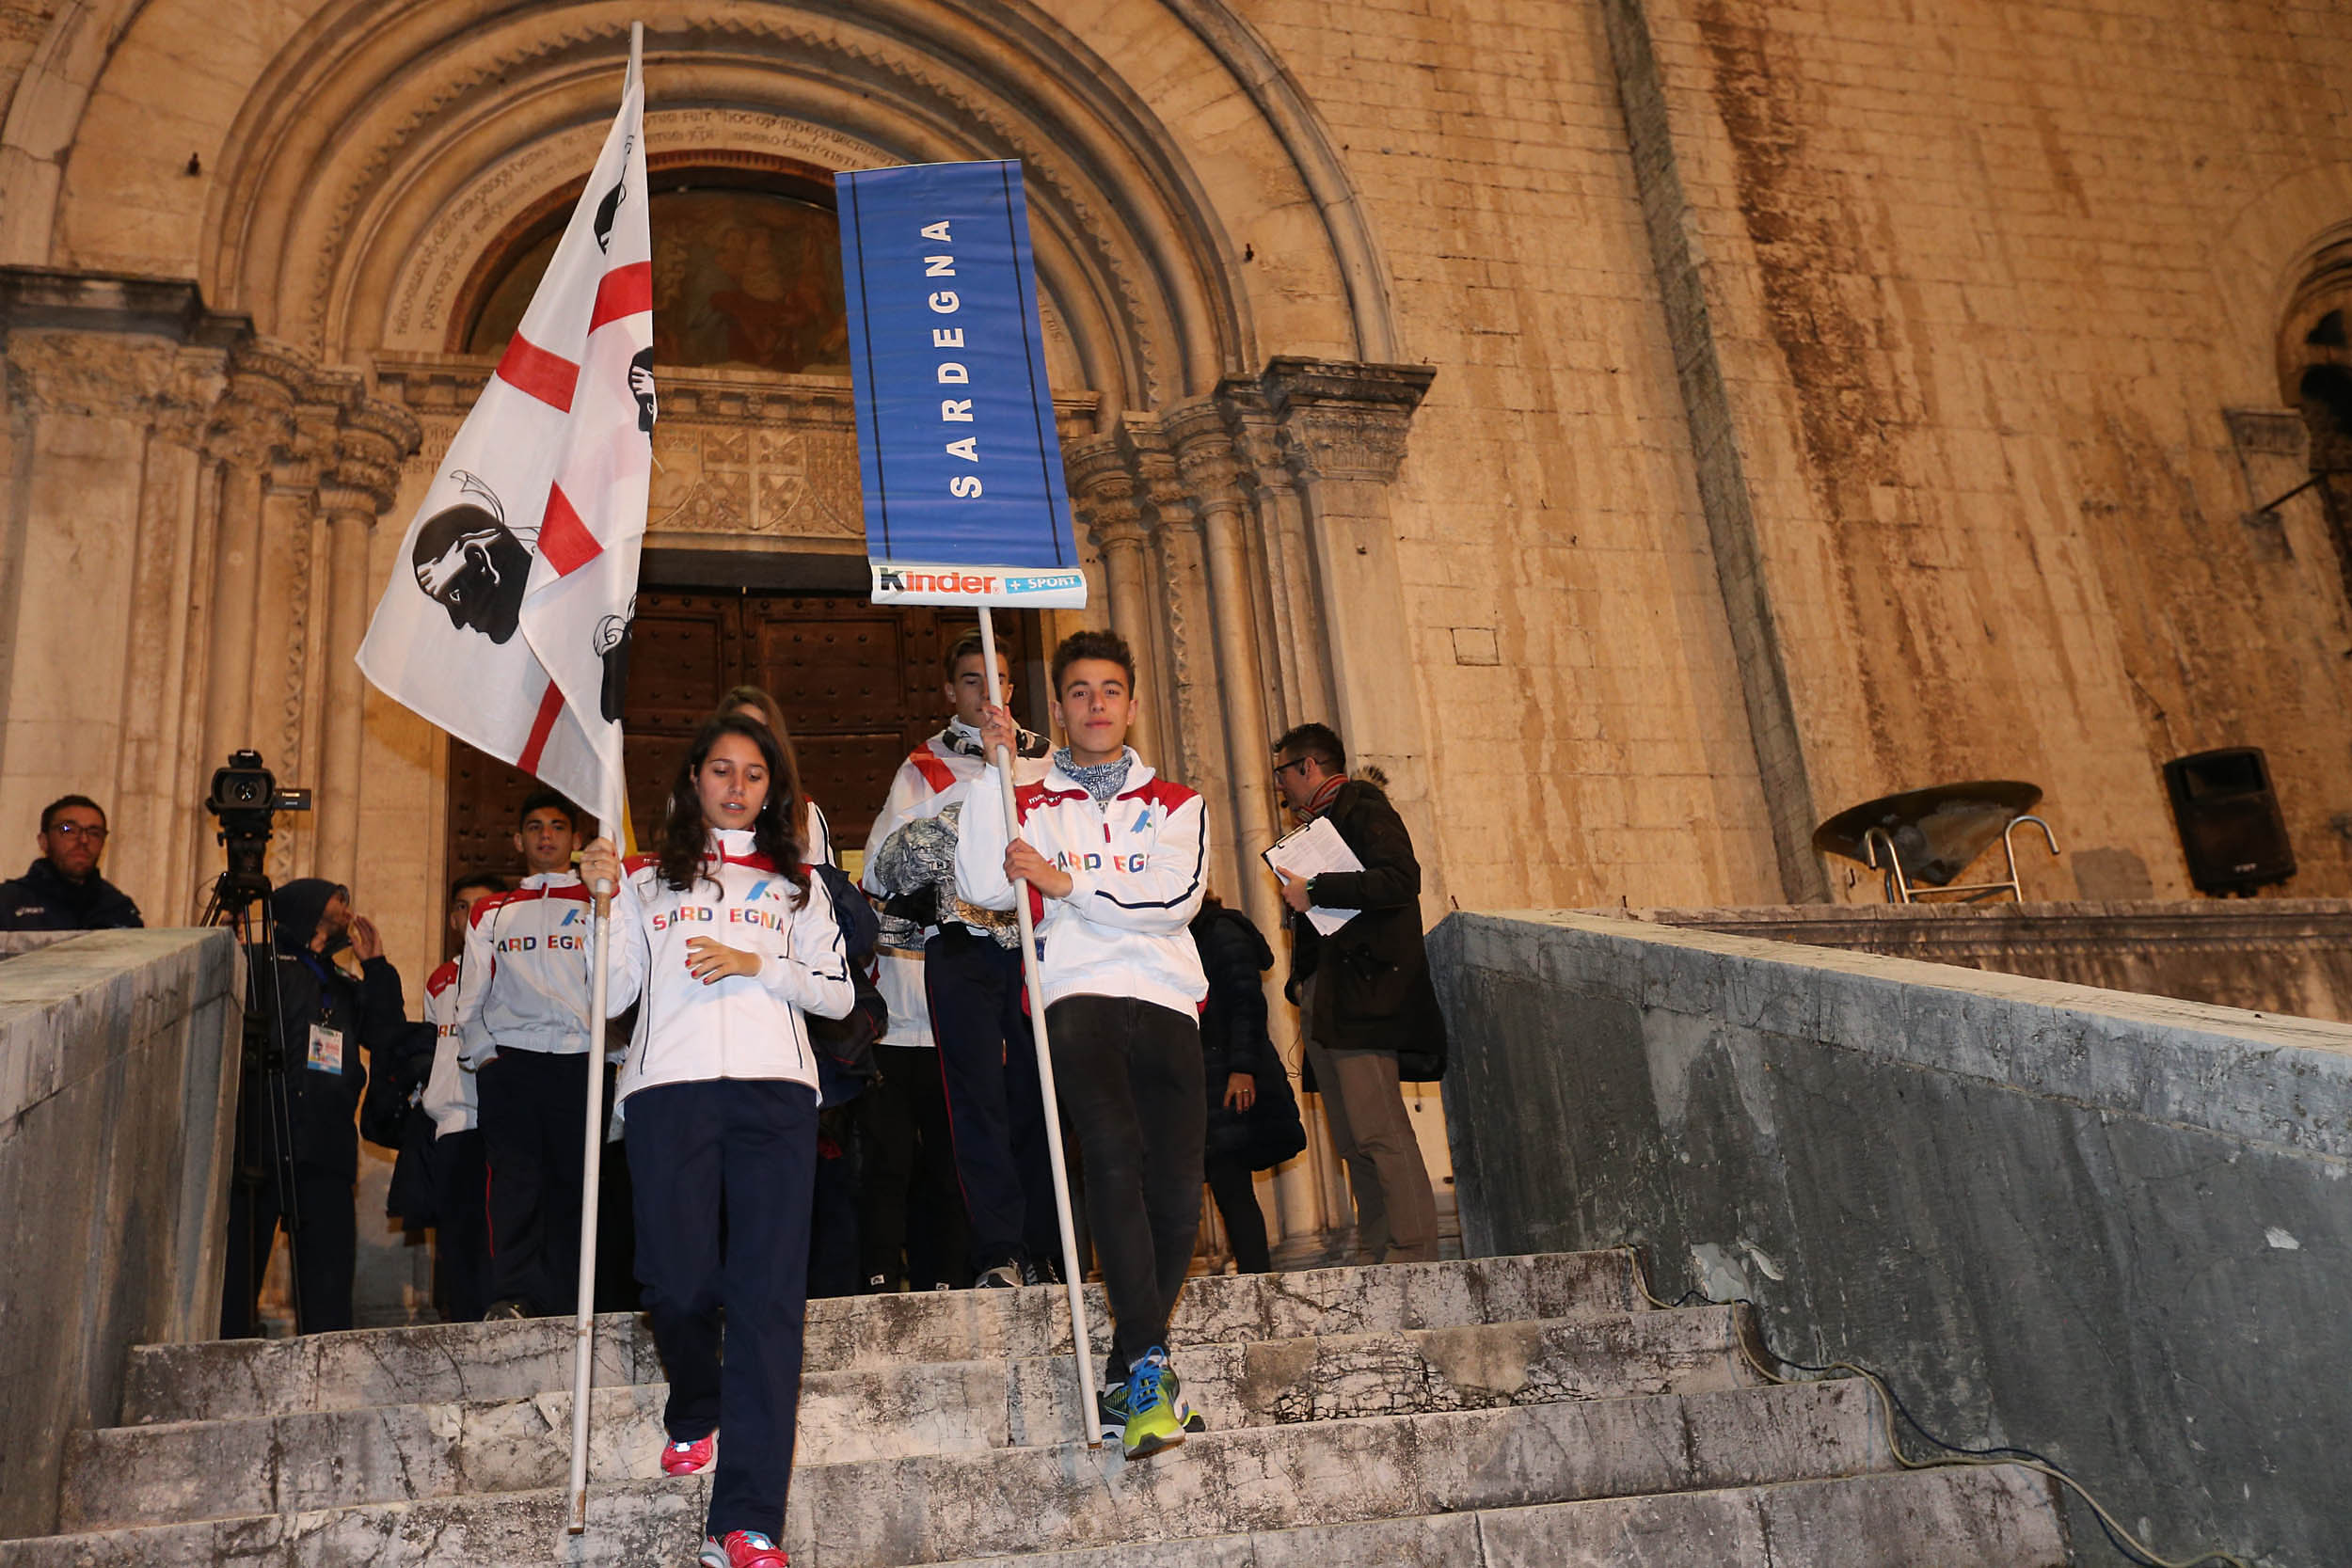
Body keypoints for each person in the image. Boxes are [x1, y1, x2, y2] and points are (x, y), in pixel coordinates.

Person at [580, 714, 854, 1568]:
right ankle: (696, 1402)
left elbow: (839, 994)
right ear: (694, 778)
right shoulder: (641, 878)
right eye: (722, 769)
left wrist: (756, 963)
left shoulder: (796, 881)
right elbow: (607, 995)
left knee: (769, 1302)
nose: (737, 786)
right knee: (678, 1281)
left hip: (777, 1095)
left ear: (773, 790)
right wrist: (599, 905)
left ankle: (746, 1521)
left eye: (755, 774)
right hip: (670, 1091)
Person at [956, 628, 1211, 1461]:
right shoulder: (1028, 796)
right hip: (1074, 993)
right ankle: (1150, 1367)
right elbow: (983, 883)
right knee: (1110, 1155)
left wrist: (1068, 883)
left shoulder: (1178, 802)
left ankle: (1126, 1369)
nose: (1096, 704)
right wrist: (995, 771)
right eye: (1078, 692)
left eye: (1110, 690)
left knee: (1177, 1194)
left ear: (1131, 705)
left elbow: (1173, 897)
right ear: (1059, 710)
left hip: (1167, 998)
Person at [864, 631, 1052, 1290]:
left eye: (997, 678)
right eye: (972, 680)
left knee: (1040, 1098)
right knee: (976, 1106)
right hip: (961, 944)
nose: (986, 692)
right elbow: (881, 868)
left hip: (1038, 948)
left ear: (1013, 688)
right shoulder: (923, 767)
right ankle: (999, 1249)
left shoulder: (1047, 761)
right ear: (950, 690)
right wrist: (956, 826)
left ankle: (1049, 1246)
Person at [1270, 721, 1446, 1265]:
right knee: (1350, 1138)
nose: (1279, 786)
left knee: (1379, 1127)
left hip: (1363, 995)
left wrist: (1316, 888)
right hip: (1328, 995)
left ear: (1308, 766)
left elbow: (1401, 879)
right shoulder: (1317, 827)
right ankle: (1378, 1247)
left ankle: (1414, 1249)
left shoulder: (1363, 807)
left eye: (1282, 773)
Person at [220, 879, 405, 1337]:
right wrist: (223, 941)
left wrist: (377, 967)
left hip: (326, 1144)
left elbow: (387, 1036)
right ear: (307, 904)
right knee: (236, 1277)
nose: (347, 905)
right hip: (259, 1140)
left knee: (328, 1287)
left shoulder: (343, 982)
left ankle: (327, 1364)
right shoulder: (258, 962)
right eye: (337, 897)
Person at [455, 791, 598, 1320]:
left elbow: (618, 984)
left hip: (581, 1061)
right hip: (513, 1062)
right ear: (518, 840)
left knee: (576, 1185)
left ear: (575, 840)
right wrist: (484, 1057)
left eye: (557, 827)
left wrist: (612, 1055)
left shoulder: (598, 903)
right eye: (535, 826)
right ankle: (515, 1295)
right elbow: (471, 993)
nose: (546, 836)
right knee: (516, 1184)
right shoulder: (491, 911)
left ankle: (571, 1301)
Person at [1189, 895, 1307, 1275]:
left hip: (1227, 1073)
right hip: (1205, 1075)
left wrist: (1242, 1069)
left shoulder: (1219, 931)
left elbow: (1247, 1004)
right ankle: (1252, 1271)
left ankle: (1256, 1274)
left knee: (1230, 1176)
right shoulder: (1187, 934)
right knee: (1223, 1178)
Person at [418, 873, 505, 1323]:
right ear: (453, 919)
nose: (470, 915)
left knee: (496, 1237)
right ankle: (463, 1324)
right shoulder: (439, 980)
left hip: (497, 1125)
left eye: (482, 905)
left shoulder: (513, 969)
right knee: (456, 1238)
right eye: (461, 906)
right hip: (452, 1128)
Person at [718, 686, 835, 864]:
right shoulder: (690, 804)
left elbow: (819, 879)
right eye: (742, 731)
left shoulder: (803, 812)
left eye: (761, 731)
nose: (752, 741)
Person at [0, 795, 142, 929]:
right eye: (68, 830)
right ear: (43, 841)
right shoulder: (8, 902)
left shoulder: (119, 908)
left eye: (94, 833)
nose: (84, 840)